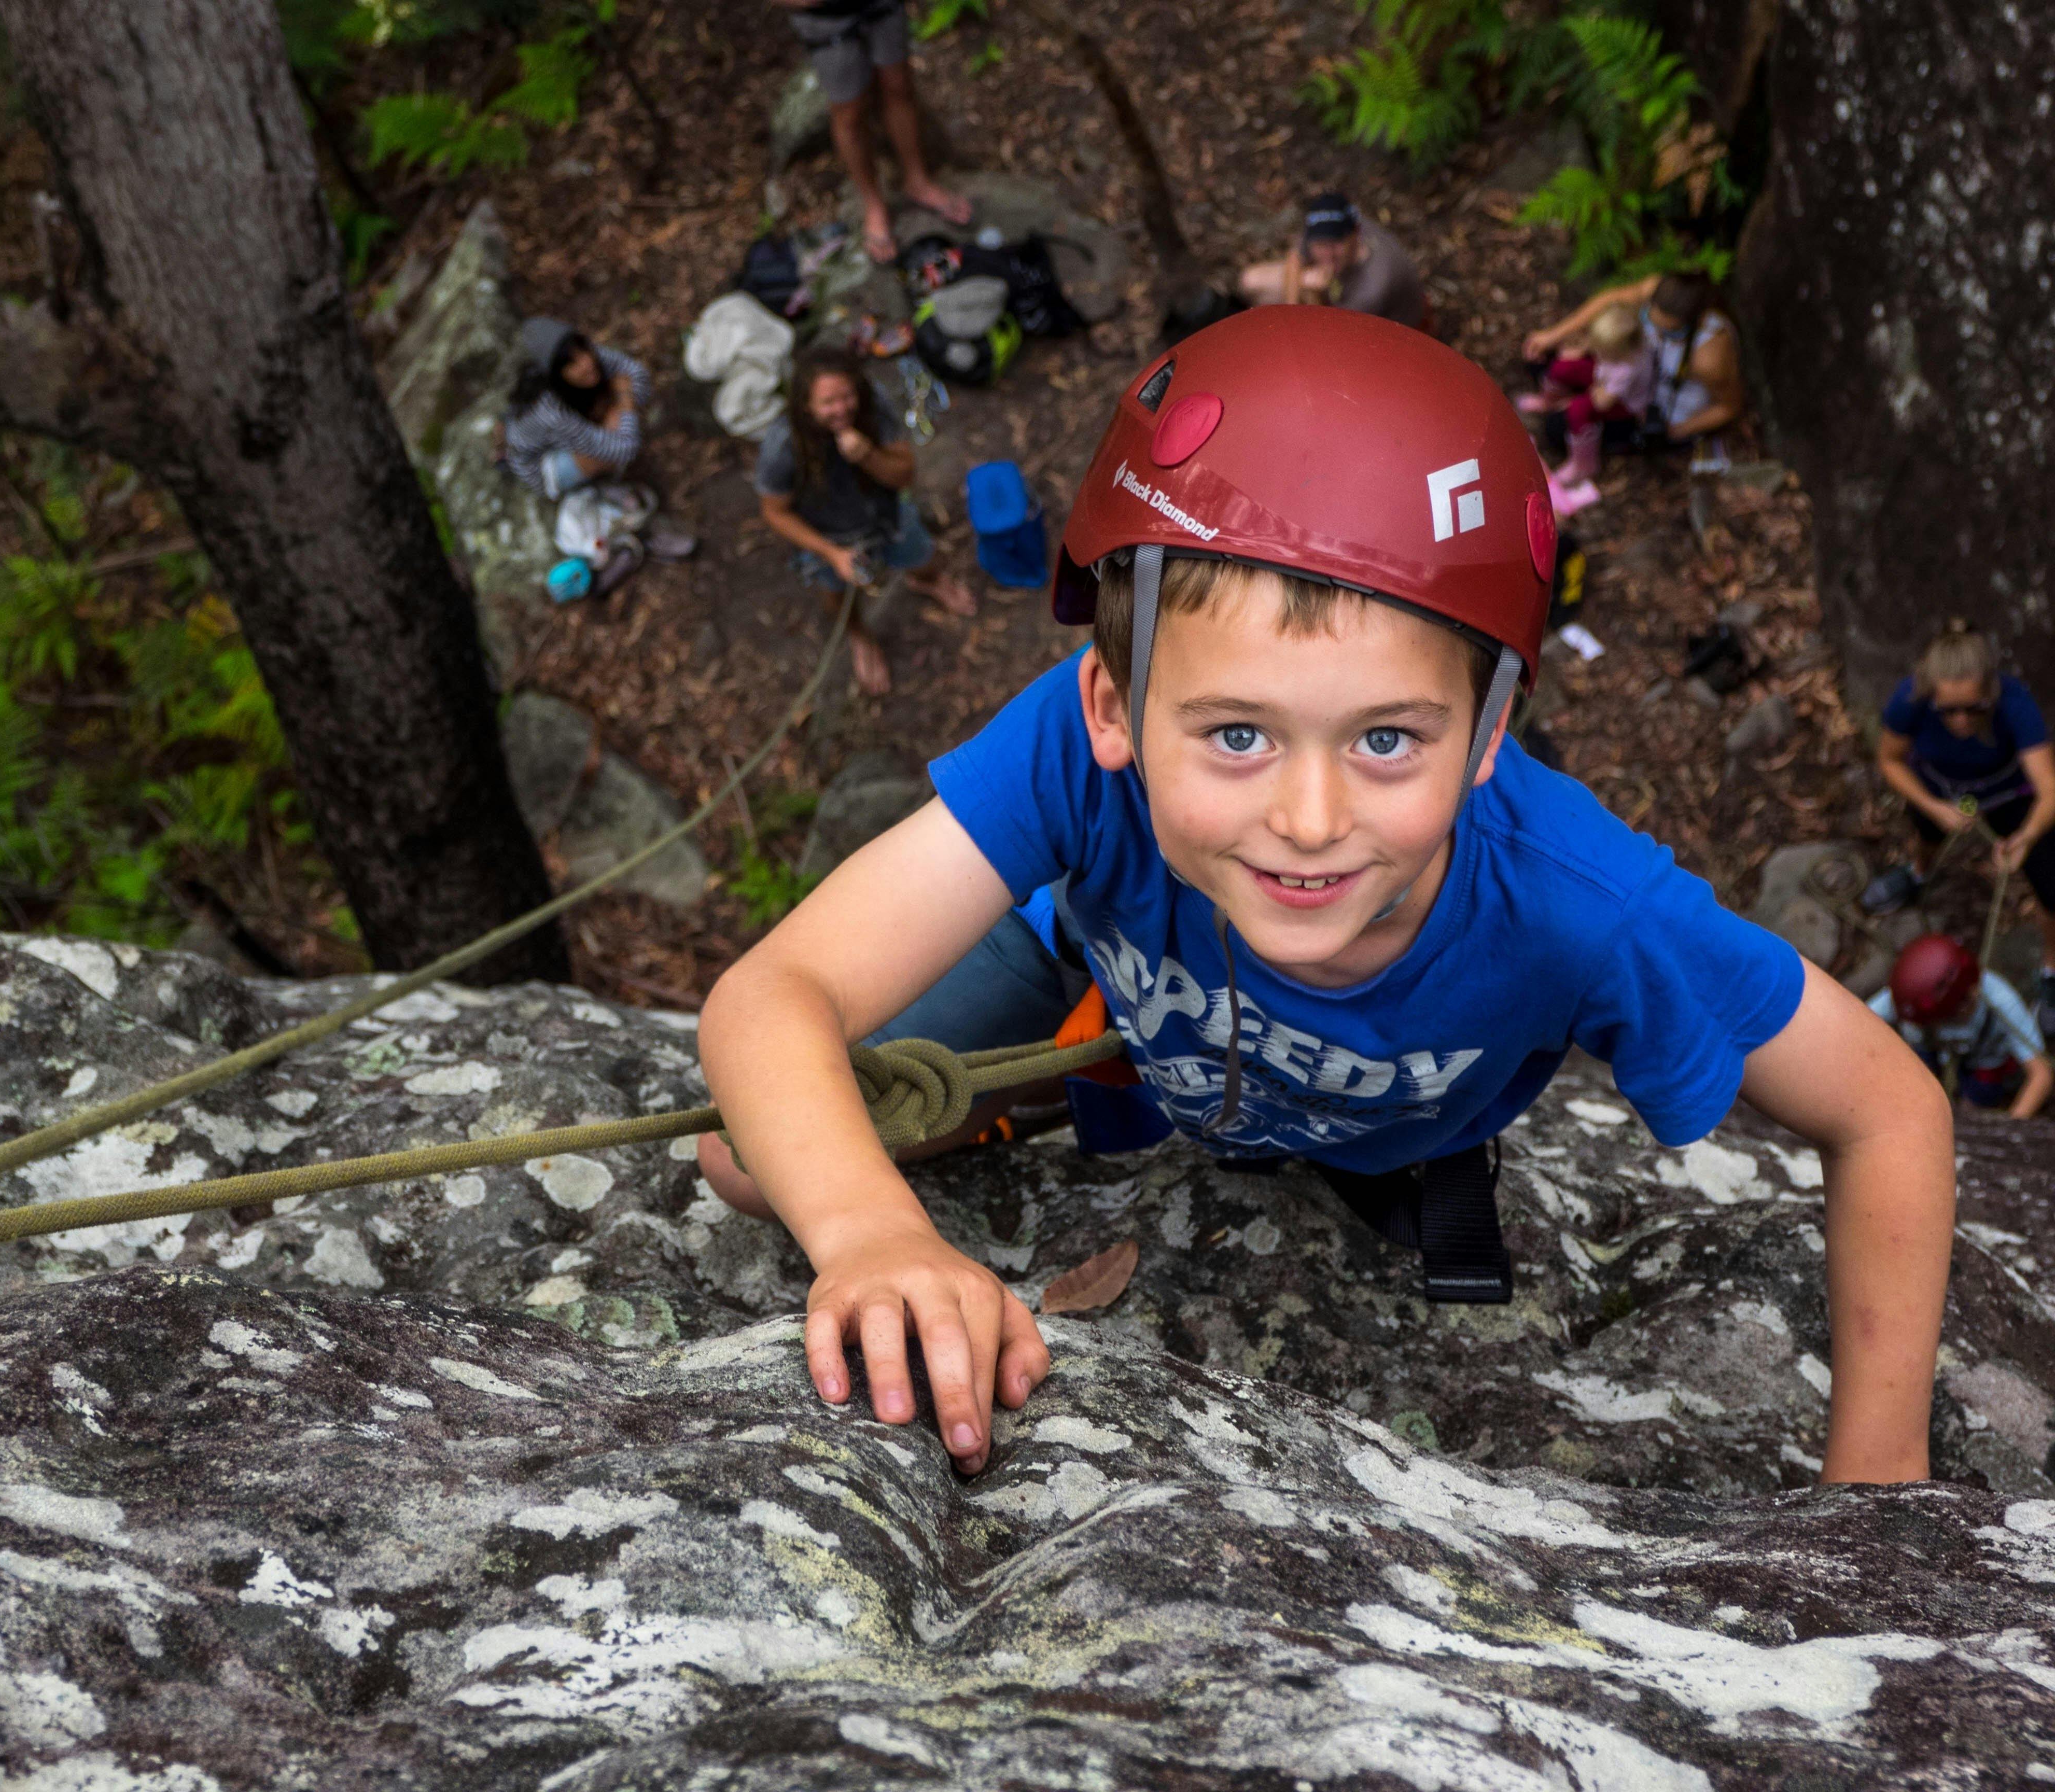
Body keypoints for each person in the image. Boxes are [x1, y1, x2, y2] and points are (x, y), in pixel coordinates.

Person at [696, 307, 1953, 1485]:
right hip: (1106, 996)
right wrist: (870, 1230)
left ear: (1488, 731)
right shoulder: (1070, 754)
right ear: (1113, 709)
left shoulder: (1579, 902)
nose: (1308, 819)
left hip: (1361, 1115)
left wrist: (1877, 1493)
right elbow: (773, 996)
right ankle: (1053, 1081)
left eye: (1388, 740)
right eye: (1237, 734)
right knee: (745, 1159)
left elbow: (1887, 1109)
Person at [753, 344, 975, 697]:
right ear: (806, 406)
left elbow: (904, 475)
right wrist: (831, 554)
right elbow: (774, 512)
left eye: (847, 397)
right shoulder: (783, 446)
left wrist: (868, 454)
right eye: (828, 403)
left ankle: (928, 582)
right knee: (837, 595)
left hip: (886, 515)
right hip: (829, 538)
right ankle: (860, 636)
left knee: (922, 557)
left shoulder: (873, 405)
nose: (842, 409)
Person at [1860, 622, 2055, 1013]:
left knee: (2051, 885)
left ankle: (2052, 972)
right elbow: (1889, 759)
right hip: (1940, 791)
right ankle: (1918, 874)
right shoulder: (1911, 699)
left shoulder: (2015, 704)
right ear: (1932, 695)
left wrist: (2028, 836)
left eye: (1974, 709)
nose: (1962, 721)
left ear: (1991, 693)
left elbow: (2050, 789)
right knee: (1926, 833)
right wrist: (1933, 807)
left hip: (2009, 796)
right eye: (1948, 711)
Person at [768, 0, 971, 263]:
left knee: (898, 84)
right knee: (849, 113)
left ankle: (917, 180)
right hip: (824, 19)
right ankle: (873, 204)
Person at [1523, 271, 1743, 446]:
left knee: (1555, 429)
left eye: (1668, 332)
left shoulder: (1709, 359)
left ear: (1697, 322)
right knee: (1540, 360)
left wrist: (1676, 431)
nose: (1655, 332)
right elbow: (1610, 302)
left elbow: (1729, 408)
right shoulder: (1663, 291)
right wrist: (1553, 336)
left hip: (1652, 406)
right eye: (1650, 319)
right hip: (1629, 368)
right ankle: (1564, 399)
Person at [1870, 935, 2051, 1119]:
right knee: (1917, 1090)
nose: (1974, 994)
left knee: (1975, 1103)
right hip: (1930, 1050)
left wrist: (2013, 1126)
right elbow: (1859, 1023)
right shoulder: (1909, 996)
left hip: (1985, 1059)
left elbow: (2041, 1073)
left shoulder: (1999, 1001)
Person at [497, 318, 652, 499]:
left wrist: (623, 405)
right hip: (541, 467)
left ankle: (600, 440)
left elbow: (639, 374)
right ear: (556, 375)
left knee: (615, 417)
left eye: (583, 352)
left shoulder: (586, 355)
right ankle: (599, 483)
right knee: (615, 425)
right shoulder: (552, 411)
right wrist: (624, 398)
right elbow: (626, 447)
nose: (586, 364)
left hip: (566, 430)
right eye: (572, 364)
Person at [1235, 192, 1426, 331]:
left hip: (1390, 332)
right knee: (1252, 282)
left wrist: (1315, 295)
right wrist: (1291, 310)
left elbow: (1332, 331)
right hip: (1336, 296)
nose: (1326, 254)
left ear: (1355, 236)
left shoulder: (1375, 284)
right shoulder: (1336, 222)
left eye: (1335, 245)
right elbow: (1295, 258)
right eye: (1320, 244)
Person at [1518, 304, 1654, 495]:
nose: (1596, 352)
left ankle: (1584, 464)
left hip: (1623, 404)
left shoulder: (1626, 370)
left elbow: (1602, 402)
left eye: (1601, 350)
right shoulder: (1619, 345)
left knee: (1578, 410)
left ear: (1617, 352)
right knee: (1562, 368)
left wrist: (1579, 397)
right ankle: (1547, 401)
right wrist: (1582, 350)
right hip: (1603, 378)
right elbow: (1594, 348)